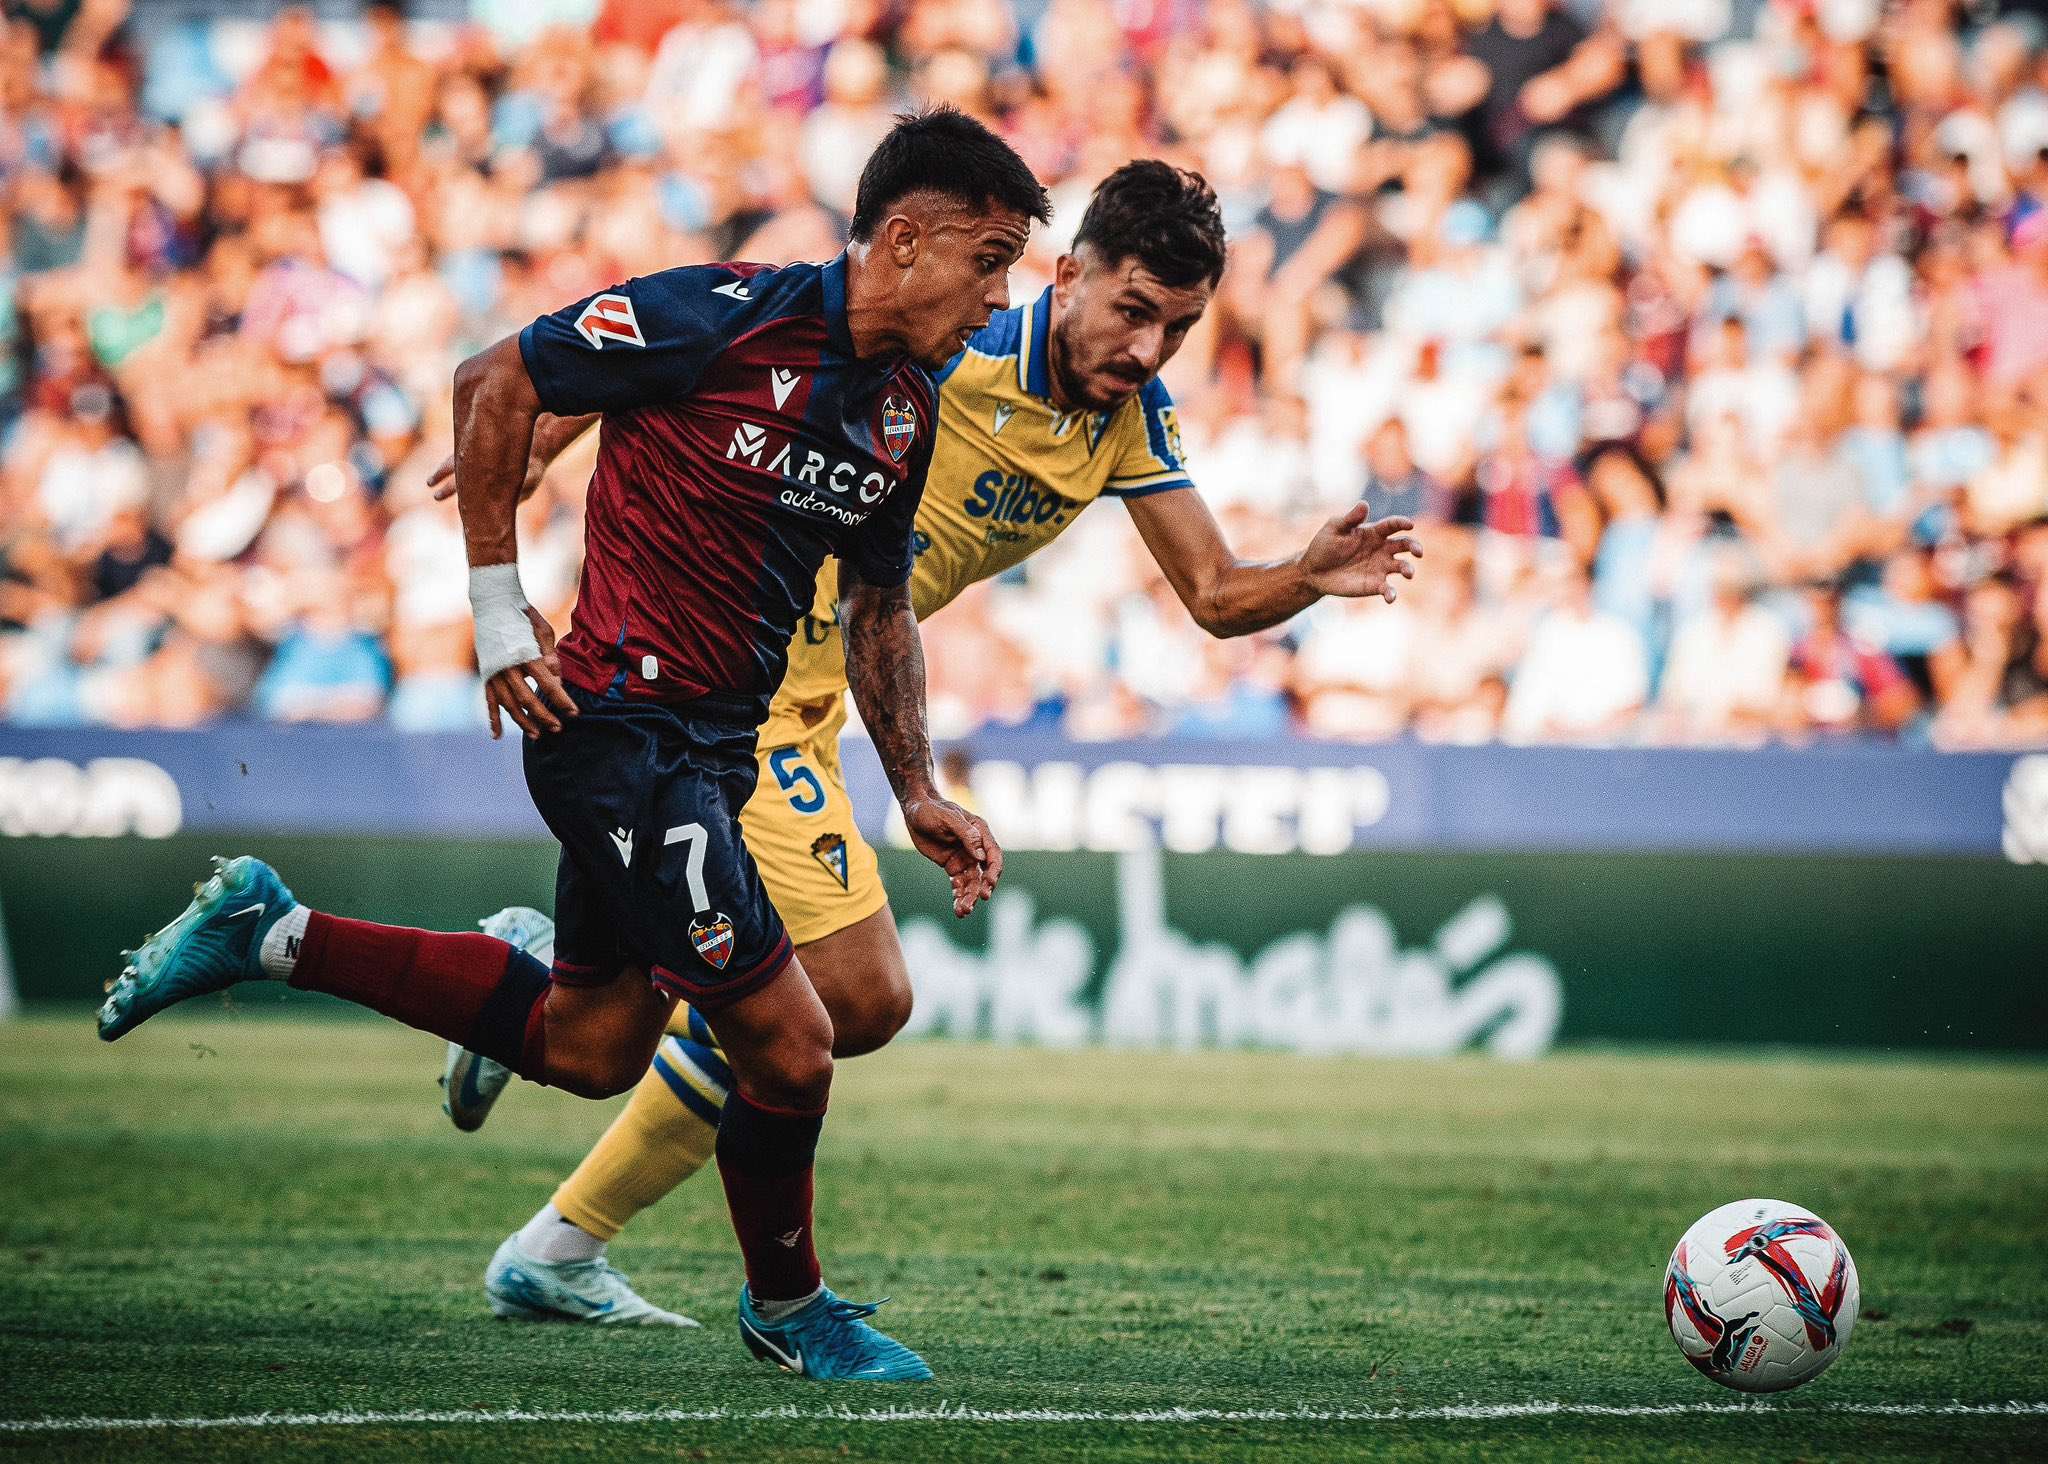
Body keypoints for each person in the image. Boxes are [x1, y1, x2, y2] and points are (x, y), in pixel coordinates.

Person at [94, 109, 1053, 1383]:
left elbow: (879, 612)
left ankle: (272, 932)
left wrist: (916, 786)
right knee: (796, 1038)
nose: (999, 301)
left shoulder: (898, 414)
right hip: (617, 731)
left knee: (590, 1046)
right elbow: (495, 380)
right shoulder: (720, 313)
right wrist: (499, 622)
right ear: (905, 238)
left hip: (709, 751)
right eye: (988, 261)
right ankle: (793, 1308)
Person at [432, 162, 1423, 1328]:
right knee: (849, 1001)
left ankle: (558, 1142)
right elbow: (751, 337)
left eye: (1181, 327)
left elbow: (1211, 593)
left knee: (806, 1010)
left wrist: (1301, 580)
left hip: (810, 706)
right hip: (729, 683)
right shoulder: (954, 330)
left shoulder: (1126, 425)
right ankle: (568, 1206)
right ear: (1071, 275)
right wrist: (555, 425)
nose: (1151, 349)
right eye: (1134, 311)